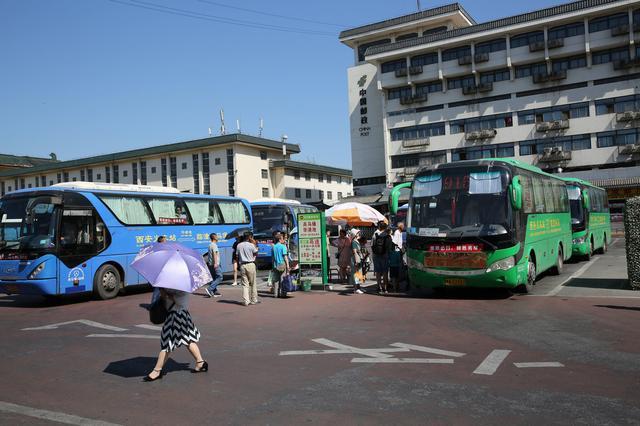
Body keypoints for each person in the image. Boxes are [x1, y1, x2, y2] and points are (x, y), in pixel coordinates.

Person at [144, 288, 207, 381]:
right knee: (187, 339)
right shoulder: (174, 285)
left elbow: (179, 302)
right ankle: (201, 362)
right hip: (179, 315)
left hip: (177, 316)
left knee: (167, 343)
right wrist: (163, 293)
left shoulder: (182, 287)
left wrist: (165, 294)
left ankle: (157, 371)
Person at [237, 231, 259, 306]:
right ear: (250, 237)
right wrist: (255, 244)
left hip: (242, 265)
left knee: (245, 284)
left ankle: (246, 301)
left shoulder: (239, 245)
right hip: (250, 264)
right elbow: (256, 253)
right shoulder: (251, 245)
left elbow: (237, 255)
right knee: (253, 283)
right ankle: (254, 300)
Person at [371, 221, 392, 294]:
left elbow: (372, 246)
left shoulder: (375, 235)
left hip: (376, 256)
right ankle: (385, 288)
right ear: (386, 227)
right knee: (385, 272)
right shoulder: (388, 236)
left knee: (378, 272)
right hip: (385, 256)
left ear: (379, 227)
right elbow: (390, 248)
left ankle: (379, 287)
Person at [271, 233, 289, 298]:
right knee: (282, 280)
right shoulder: (283, 247)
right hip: (282, 264)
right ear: (279, 239)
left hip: (275, 265)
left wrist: (272, 266)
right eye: (282, 238)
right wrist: (288, 266)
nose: (283, 240)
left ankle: (276, 294)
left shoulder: (273, 247)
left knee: (276, 280)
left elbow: (272, 258)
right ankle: (282, 294)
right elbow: (285, 257)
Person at [150, 236, 167, 304]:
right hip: (159, 273)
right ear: (161, 242)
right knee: (158, 289)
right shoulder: (158, 250)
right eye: (165, 241)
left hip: (162, 272)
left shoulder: (162, 249)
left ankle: (160, 304)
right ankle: (153, 304)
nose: (166, 242)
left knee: (162, 289)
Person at [205, 233, 222, 298]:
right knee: (220, 277)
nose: (218, 237)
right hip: (215, 263)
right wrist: (216, 263)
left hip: (210, 264)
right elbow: (214, 254)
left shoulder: (210, 245)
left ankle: (214, 291)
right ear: (214, 237)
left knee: (214, 278)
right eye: (217, 236)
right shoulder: (214, 245)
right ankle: (210, 289)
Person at [390, 223, 405, 292]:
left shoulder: (399, 232)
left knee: (397, 271)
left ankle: (396, 286)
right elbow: (394, 242)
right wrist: (400, 248)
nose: (404, 227)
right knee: (395, 270)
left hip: (397, 253)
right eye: (403, 226)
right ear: (401, 227)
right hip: (396, 253)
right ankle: (395, 287)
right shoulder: (397, 232)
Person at [349, 229, 364, 294]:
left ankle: (358, 287)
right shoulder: (354, 242)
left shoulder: (355, 241)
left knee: (358, 273)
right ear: (355, 234)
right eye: (357, 233)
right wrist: (356, 261)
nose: (358, 233)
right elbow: (354, 252)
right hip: (356, 259)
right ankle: (356, 288)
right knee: (356, 273)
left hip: (357, 258)